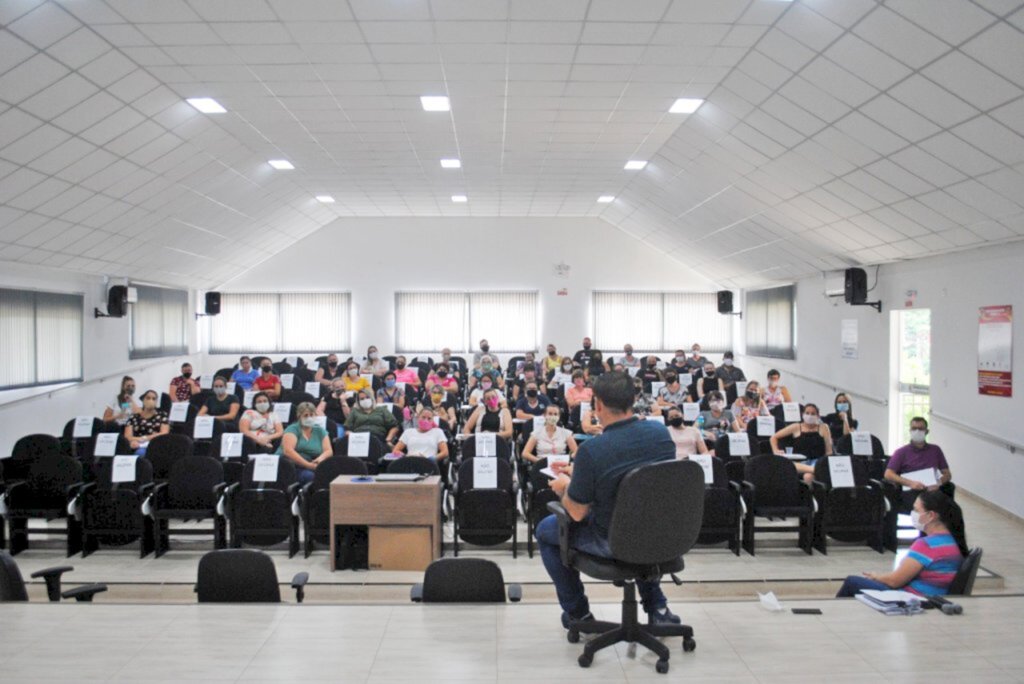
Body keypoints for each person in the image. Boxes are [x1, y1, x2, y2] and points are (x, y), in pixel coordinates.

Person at [536, 371, 682, 628]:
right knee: (640, 515)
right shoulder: (660, 435)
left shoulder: (592, 451)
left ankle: (578, 612)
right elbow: (638, 481)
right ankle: (657, 606)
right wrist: (582, 475)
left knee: (547, 530)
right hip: (658, 534)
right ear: (633, 399)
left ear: (598, 404)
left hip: (612, 541)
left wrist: (565, 487)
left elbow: (577, 513)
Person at [836, 489, 967, 597]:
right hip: (933, 595)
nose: (913, 514)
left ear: (931, 515)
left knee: (852, 582)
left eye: (916, 510)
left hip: (912, 597)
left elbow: (895, 581)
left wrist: (877, 577)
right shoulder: (952, 540)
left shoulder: (927, 545)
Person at [885, 417, 954, 508]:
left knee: (946, 505)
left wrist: (938, 483)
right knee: (923, 504)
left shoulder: (935, 450)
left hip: (933, 488)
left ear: (926, 431)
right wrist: (910, 483)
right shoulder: (901, 452)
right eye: (914, 428)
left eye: (921, 429)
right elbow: (888, 474)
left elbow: (947, 474)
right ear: (910, 431)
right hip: (912, 489)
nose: (917, 431)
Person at [770, 403, 831, 481]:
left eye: (813, 414)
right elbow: (774, 437)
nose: (810, 416)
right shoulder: (796, 426)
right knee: (789, 465)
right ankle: (814, 469)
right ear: (803, 414)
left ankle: (815, 472)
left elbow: (829, 451)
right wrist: (775, 450)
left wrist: (825, 462)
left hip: (817, 461)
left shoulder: (824, 427)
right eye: (807, 413)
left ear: (818, 416)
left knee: (808, 477)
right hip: (800, 462)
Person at [277, 402, 332, 484]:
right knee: (309, 476)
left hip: (312, 463)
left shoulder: (320, 431)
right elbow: (288, 451)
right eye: (306, 415)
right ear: (299, 417)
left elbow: (328, 451)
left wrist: (319, 459)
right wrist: (308, 465)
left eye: (311, 415)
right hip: (290, 466)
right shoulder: (292, 429)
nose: (309, 418)